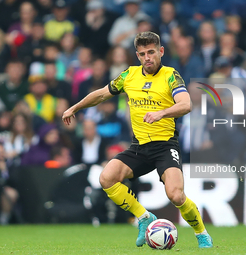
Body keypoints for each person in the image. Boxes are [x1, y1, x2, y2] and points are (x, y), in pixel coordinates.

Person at [62, 31, 213, 248]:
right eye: (142, 54)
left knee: (176, 195)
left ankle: (201, 234)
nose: (147, 57)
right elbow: (102, 94)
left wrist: (161, 113)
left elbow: (186, 104)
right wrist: (75, 107)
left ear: (160, 51)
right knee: (106, 178)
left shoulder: (171, 75)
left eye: (151, 52)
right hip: (139, 147)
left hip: (165, 145)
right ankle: (144, 217)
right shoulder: (129, 76)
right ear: (137, 56)